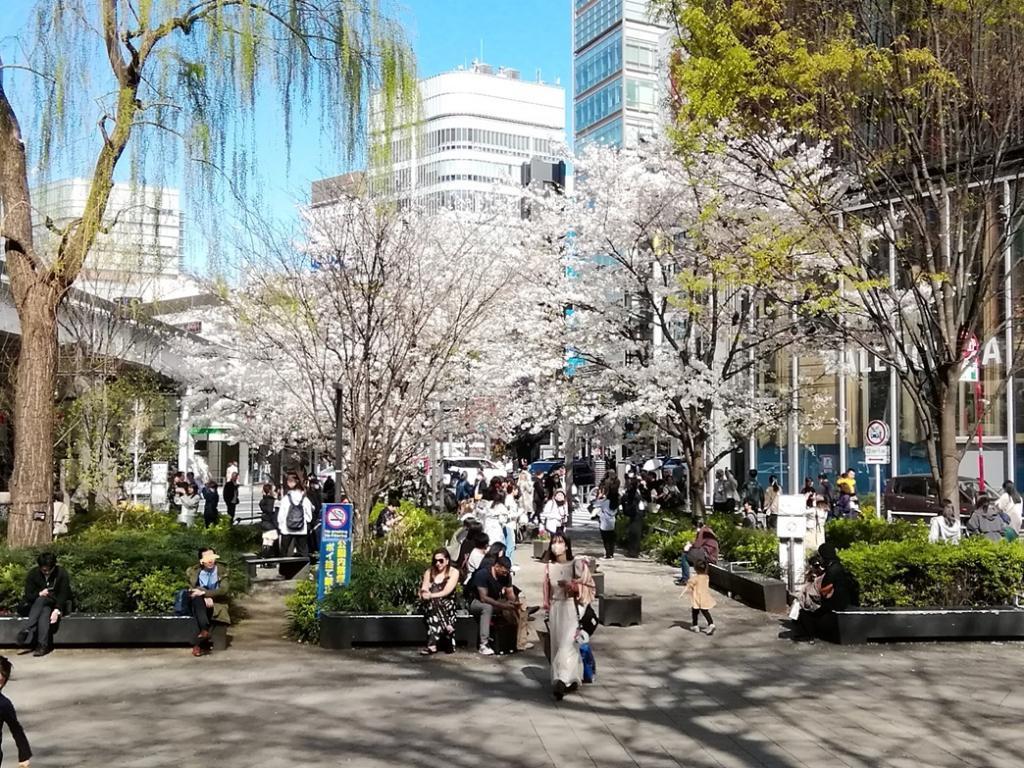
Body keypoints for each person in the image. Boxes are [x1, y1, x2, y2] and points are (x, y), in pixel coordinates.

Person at [542, 533, 595, 700]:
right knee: (558, 644)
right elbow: (546, 589)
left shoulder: (576, 564)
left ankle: (561, 679)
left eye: (560, 542)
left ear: (567, 546)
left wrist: (574, 587)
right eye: (553, 543)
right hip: (556, 607)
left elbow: (590, 586)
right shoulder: (549, 566)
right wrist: (546, 605)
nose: (556, 546)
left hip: (572, 608)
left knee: (567, 644)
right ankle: (571, 678)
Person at [795, 542, 858, 643]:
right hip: (841, 603)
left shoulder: (832, 570)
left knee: (805, 613)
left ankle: (809, 636)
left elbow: (824, 592)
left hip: (834, 607)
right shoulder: (837, 565)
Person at [16, 553, 72, 657]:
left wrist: (57, 610)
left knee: (43, 602)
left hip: (55, 602)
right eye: (43, 570)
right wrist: (39, 594)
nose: (45, 572)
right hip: (37, 605)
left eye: (48, 570)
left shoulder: (61, 573)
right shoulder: (33, 574)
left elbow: (64, 594)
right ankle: (42, 645)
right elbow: (28, 594)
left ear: (53, 567)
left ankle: (28, 628)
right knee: (44, 610)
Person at [468, 555, 519, 655]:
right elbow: (483, 598)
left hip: (495, 600)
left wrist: (514, 603)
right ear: (497, 566)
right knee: (487, 607)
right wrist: (502, 605)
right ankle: (484, 644)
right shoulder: (482, 574)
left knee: (518, 606)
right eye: (503, 572)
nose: (505, 575)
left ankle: (517, 640)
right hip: (476, 601)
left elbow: (510, 593)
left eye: (507, 572)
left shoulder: (506, 576)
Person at [185, 547, 231, 657]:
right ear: (201, 560)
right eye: (206, 558)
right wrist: (203, 596)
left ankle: (199, 643)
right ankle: (205, 631)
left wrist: (206, 594)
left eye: (212, 557)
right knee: (197, 599)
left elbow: (223, 590)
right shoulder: (193, 571)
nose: (210, 560)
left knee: (199, 601)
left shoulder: (222, 571)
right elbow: (190, 589)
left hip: (216, 602)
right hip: (198, 602)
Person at [419, 548, 461, 655]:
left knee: (435, 601)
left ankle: (432, 644)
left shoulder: (454, 572)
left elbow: (447, 591)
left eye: (441, 561)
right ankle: (447, 626)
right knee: (433, 603)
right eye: (435, 561)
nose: (438, 563)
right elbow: (424, 588)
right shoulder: (429, 572)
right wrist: (425, 592)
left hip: (447, 604)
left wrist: (431, 595)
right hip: (431, 605)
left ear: (447, 561)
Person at [0, 656, 32, 767]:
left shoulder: (4, 704)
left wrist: (24, 755)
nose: (1, 677)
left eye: (3, 675)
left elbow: (16, 729)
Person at [277, 473, 315, 558]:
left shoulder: (286, 499)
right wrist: (306, 521)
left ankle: (284, 569)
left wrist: (281, 525)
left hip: (286, 529)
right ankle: (303, 569)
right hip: (301, 529)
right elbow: (309, 517)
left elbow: (281, 515)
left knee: (284, 550)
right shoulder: (305, 499)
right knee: (302, 550)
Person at [676, 520, 719, 585]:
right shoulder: (707, 530)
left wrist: (689, 546)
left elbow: (697, 545)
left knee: (685, 555)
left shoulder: (703, 531)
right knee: (691, 555)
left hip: (707, 555)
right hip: (710, 554)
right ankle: (686, 578)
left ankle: (685, 579)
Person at [682, 559, 716, 635]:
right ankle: (711, 624)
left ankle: (695, 625)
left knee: (695, 611)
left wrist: (683, 593)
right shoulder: (706, 577)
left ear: (695, 568)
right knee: (705, 611)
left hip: (697, 597)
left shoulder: (695, 578)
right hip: (705, 597)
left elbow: (688, 586)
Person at [622, 477, 644, 557]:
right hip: (636, 513)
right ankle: (633, 551)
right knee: (634, 533)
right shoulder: (633, 492)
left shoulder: (633, 492)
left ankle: (633, 551)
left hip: (636, 513)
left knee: (634, 533)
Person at [594, 486, 617, 559]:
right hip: (612, 521)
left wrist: (598, 497)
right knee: (611, 539)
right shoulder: (615, 502)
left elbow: (595, 505)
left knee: (605, 539)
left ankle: (607, 554)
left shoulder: (605, 502)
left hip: (604, 521)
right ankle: (611, 554)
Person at [259, 483, 279, 557]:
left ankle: (263, 558)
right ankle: (267, 559)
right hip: (271, 524)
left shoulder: (263, 500)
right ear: (270, 491)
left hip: (264, 523)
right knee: (270, 541)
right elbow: (273, 514)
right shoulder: (272, 501)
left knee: (266, 540)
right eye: (274, 490)